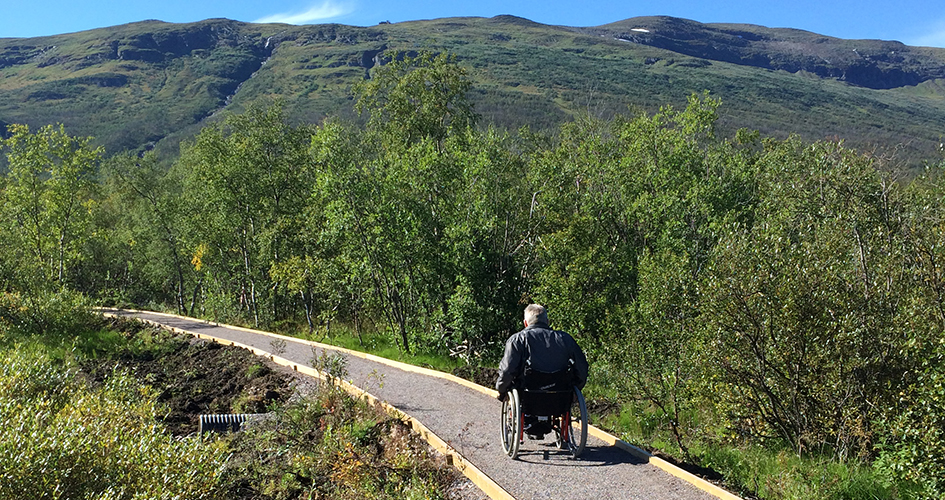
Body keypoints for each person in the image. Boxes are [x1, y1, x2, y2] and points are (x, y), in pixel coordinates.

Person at [495, 304, 589, 403]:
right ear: (547, 322)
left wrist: (501, 390)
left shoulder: (517, 340)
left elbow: (508, 370)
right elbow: (582, 367)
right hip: (560, 395)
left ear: (525, 323)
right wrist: (577, 387)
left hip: (527, 395)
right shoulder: (565, 339)